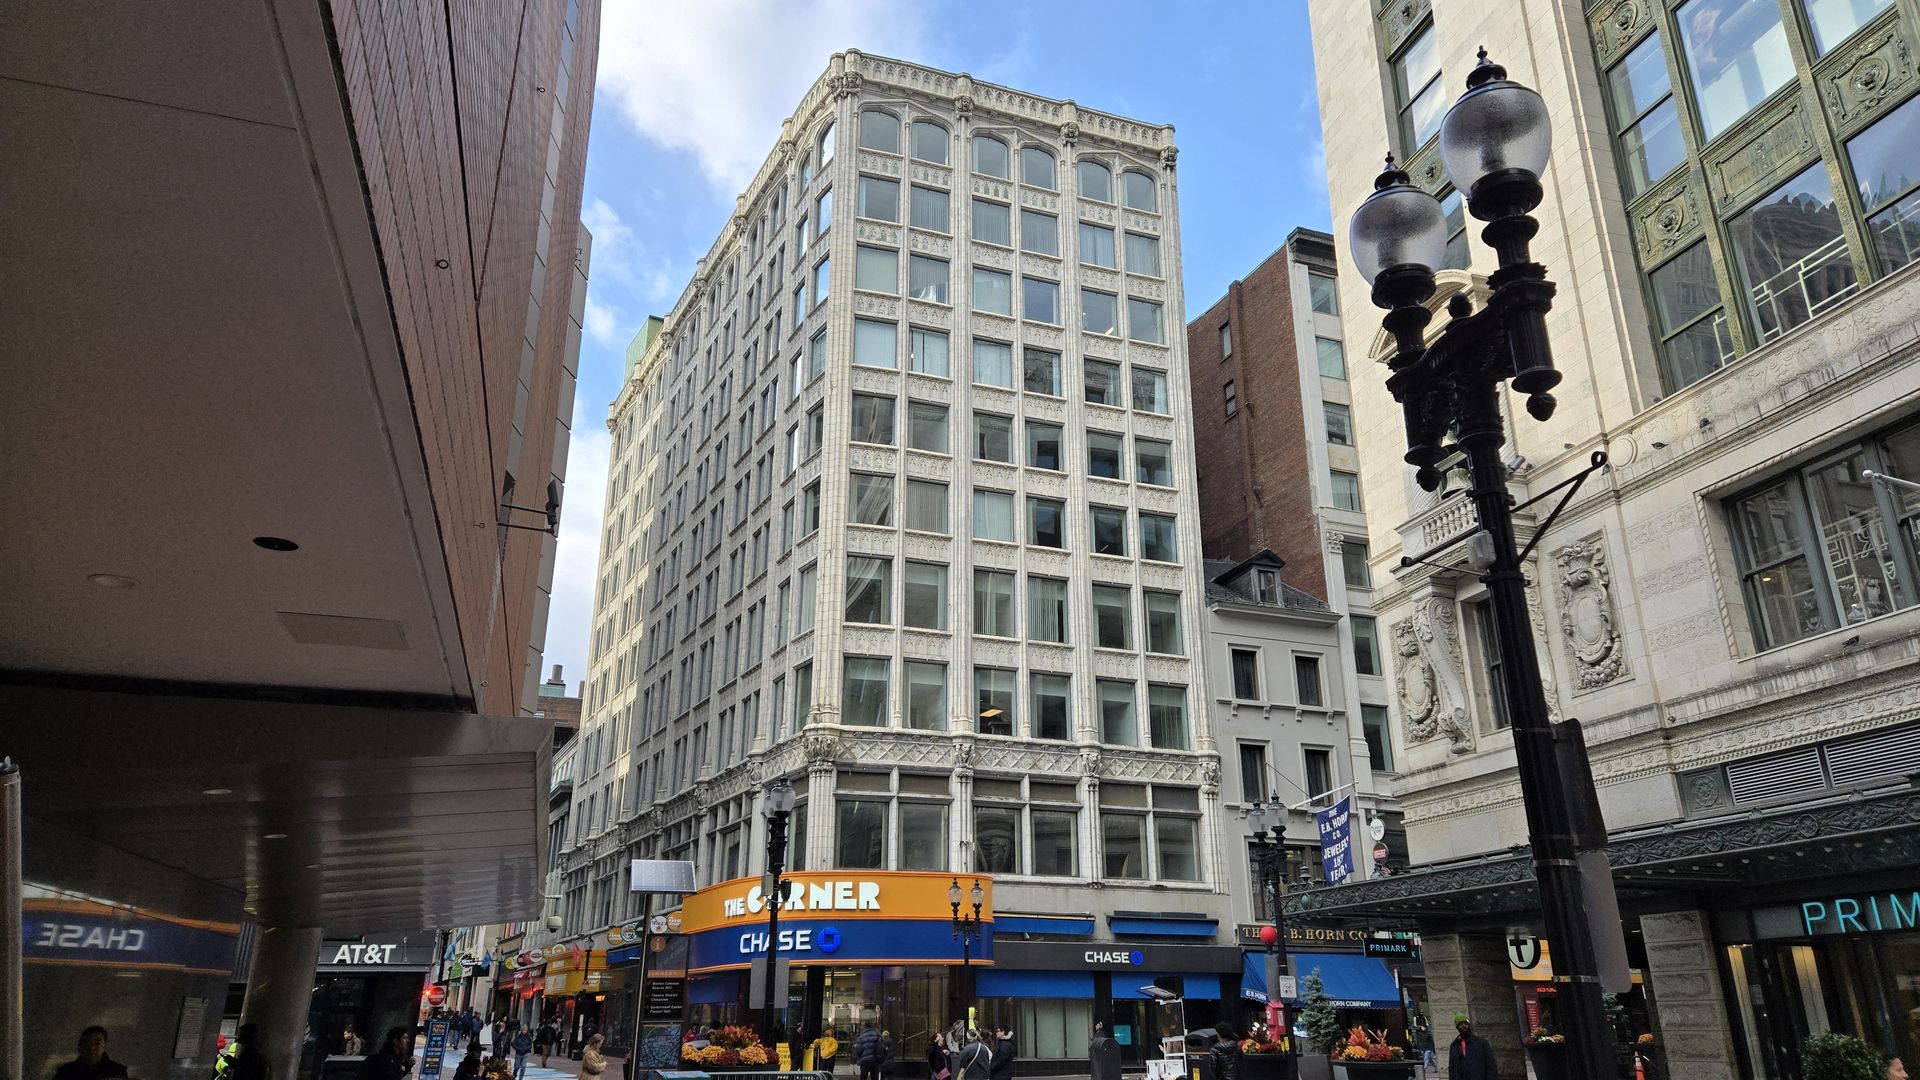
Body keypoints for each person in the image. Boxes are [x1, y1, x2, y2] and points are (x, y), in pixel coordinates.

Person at [52, 1027, 130, 1080]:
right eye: (86, 1043)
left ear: (104, 1047)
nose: (92, 1047)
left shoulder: (117, 1071)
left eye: (97, 1043)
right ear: (80, 1046)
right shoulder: (66, 1072)